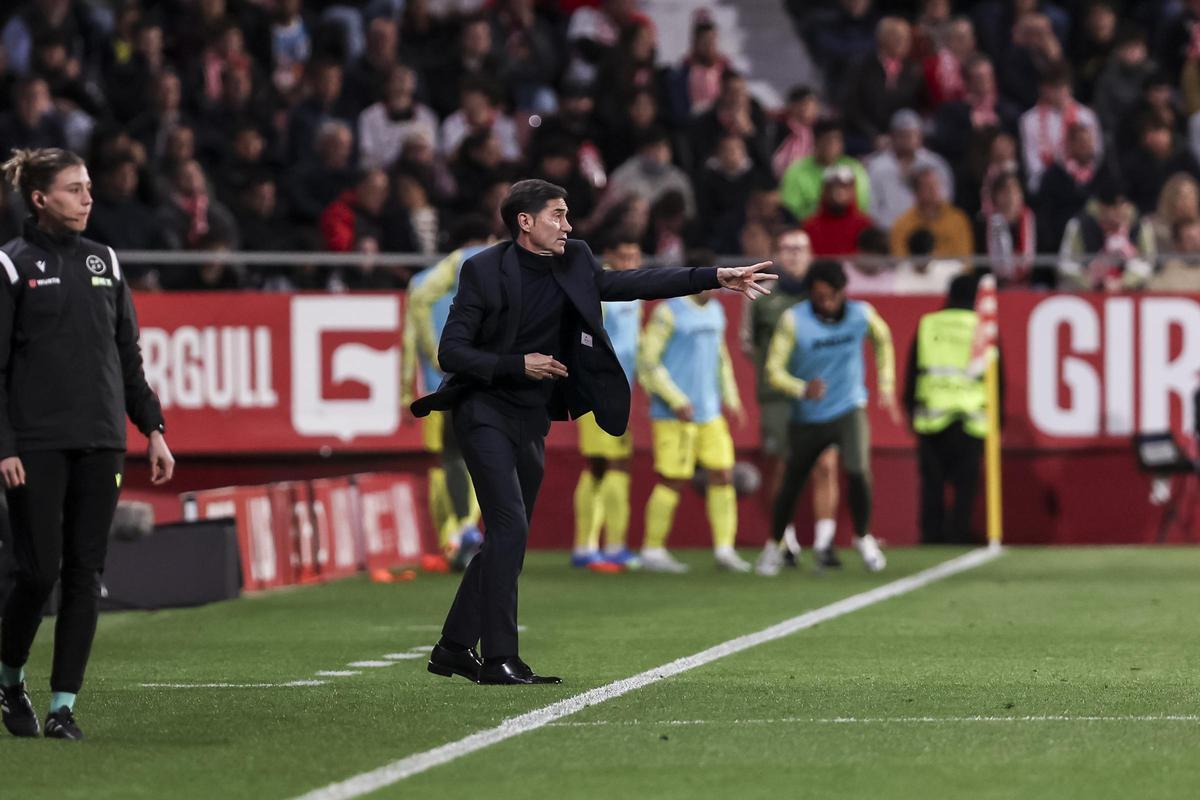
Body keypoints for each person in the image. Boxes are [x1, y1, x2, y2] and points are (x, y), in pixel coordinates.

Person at [412, 179, 774, 685]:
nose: (569, 225)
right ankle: (499, 658)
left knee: (506, 538)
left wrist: (713, 277)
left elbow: (633, 283)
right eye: (558, 215)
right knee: (510, 530)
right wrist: (518, 364)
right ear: (525, 222)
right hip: (482, 410)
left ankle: (453, 648)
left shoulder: (574, 259)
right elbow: (451, 351)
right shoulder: (483, 269)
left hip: (531, 417)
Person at [0, 148, 174, 740]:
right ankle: (9, 680)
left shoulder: (106, 261)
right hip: (35, 444)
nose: (87, 198)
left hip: (101, 439)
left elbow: (128, 356)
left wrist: (153, 429)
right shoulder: (11, 265)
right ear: (40, 198)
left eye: (89, 188)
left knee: (84, 573)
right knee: (37, 572)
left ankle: (62, 707)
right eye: (74, 189)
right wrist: (5, 445)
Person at [764, 260, 896, 572]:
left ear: (842, 292)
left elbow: (883, 339)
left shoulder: (861, 314)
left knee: (858, 469)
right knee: (792, 481)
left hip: (849, 406)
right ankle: (774, 545)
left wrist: (886, 383)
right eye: (818, 296)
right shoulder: (793, 320)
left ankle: (863, 537)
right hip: (807, 415)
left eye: (830, 296)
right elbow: (773, 370)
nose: (825, 303)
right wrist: (801, 388)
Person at [638, 274, 749, 574]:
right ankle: (652, 550)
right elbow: (648, 361)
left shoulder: (716, 311)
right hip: (674, 415)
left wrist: (731, 398)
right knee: (672, 479)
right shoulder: (668, 311)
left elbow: (720, 357)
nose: (715, 289)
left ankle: (724, 549)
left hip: (709, 412)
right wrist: (675, 399)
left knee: (723, 474)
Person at [401, 218, 495, 572]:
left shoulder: (421, 282)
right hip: (481, 377)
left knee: (445, 461)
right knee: (479, 458)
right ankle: (469, 531)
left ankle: (451, 539)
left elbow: (408, 340)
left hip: (435, 385)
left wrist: (406, 388)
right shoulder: (491, 264)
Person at [747, 230, 841, 577]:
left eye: (800, 248)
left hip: (821, 393)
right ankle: (785, 541)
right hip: (779, 395)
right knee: (785, 466)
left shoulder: (824, 292)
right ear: (776, 253)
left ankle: (825, 544)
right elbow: (749, 343)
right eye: (786, 248)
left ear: (811, 253)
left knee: (826, 464)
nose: (794, 254)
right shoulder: (761, 294)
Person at [571, 233, 645, 572]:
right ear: (610, 257)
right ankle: (595, 546)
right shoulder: (599, 291)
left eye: (635, 256)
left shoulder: (635, 294)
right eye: (624, 256)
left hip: (620, 389)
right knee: (604, 464)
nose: (630, 262)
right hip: (599, 389)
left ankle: (601, 546)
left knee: (610, 465)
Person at [904, 274, 995, 544]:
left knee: (932, 482)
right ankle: (959, 533)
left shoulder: (929, 324)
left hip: (931, 415)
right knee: (965, 485)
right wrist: (996, 420)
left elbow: (913, 370)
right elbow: (994, 377)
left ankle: (931, 535)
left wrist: (910, 407)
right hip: (971, 417)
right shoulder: (982, 328)